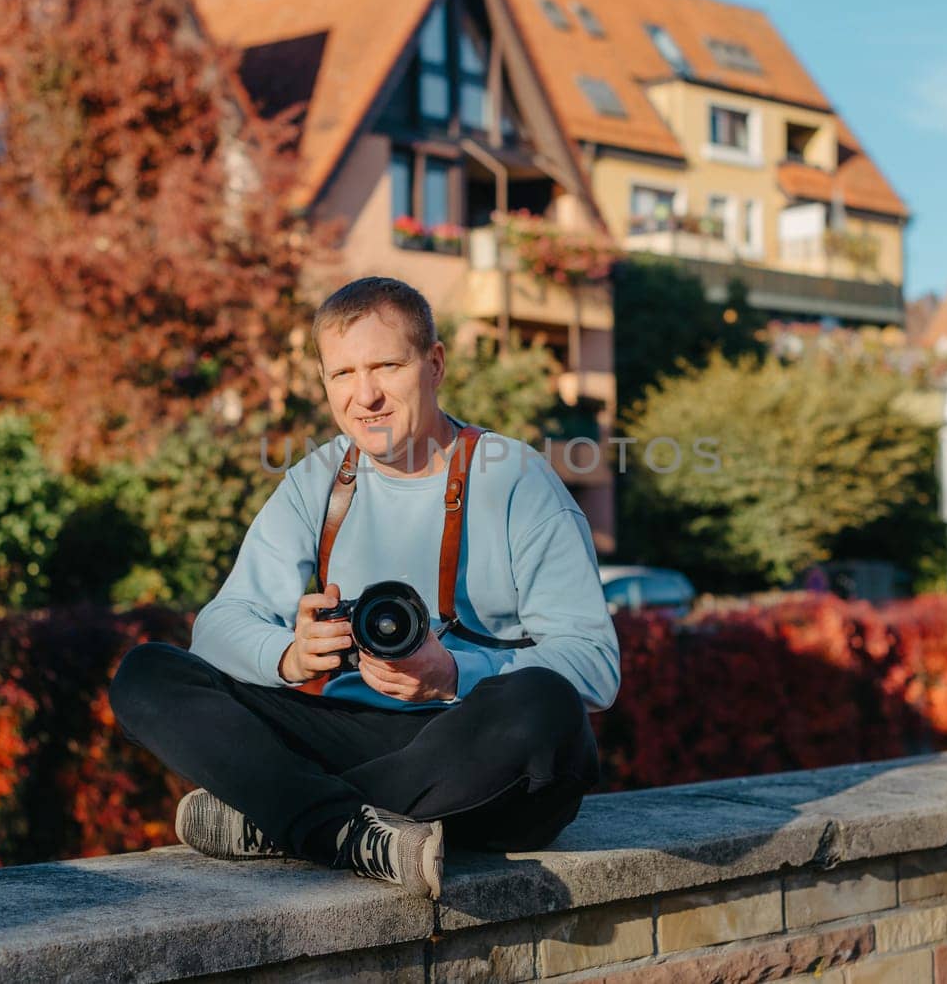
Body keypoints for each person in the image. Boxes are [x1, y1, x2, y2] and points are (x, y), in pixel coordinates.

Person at [109, 276, 619, 900]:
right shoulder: (318, 480)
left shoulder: (516, 479)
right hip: (350, 729)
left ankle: (284, 816)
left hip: (472, 746)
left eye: (386, 365)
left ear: (434, 365)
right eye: (342, 374)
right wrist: (289, 656)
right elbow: (217, 627)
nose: (366, 395)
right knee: (147, 673)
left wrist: (453, 673)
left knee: (545, 703)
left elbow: (594, 666)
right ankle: (348, 829)